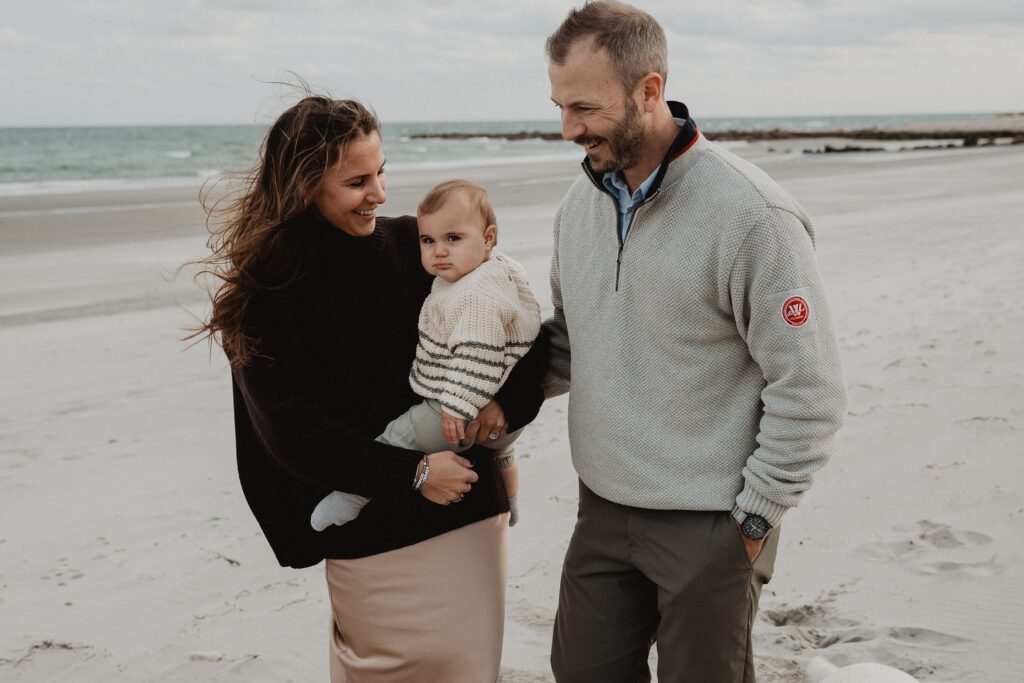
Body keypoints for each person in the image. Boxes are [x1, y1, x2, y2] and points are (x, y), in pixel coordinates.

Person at [191, 94, 547, 681]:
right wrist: (412, 474)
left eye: (381, 171)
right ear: (305, 186)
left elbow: (522, 329)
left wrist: (507, 404)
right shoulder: (266, 294)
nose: (380, 193)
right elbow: (290, 432)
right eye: (358, 182)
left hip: (468, 515)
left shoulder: (421, 246)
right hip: (371, 535)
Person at [541, 2, 848, 681]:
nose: (568, 129)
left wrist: (753, 520)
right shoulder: (577, 207)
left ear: (649, 90)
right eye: (560, 106)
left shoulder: (752, 214)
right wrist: (486, 394)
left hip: (711, 519)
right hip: (603, 507)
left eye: (585, 108)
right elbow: (571, 342)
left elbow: (812, 388)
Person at [310, 179, 541, 531]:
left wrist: (456, 407)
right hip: (507, 416)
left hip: (460, 408)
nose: (439, 252)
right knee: (503, 454)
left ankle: (351, 498)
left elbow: (476, 356)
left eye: (453, 238)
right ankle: (513, 502)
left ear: (488, 238)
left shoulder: (474, 295)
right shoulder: (501, 269)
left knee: (400, 437)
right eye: (428, 240)